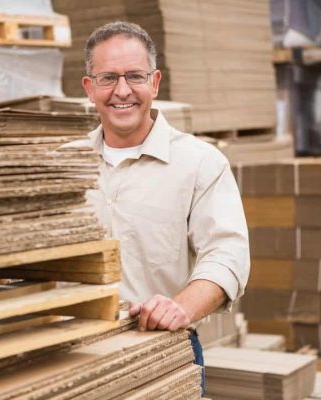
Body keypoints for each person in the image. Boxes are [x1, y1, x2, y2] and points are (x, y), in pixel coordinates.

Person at [69, 21, 250, 395]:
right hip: (70, 357)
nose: (122, 91)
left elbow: (227, 256)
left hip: (160, 353)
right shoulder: (64, 165)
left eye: (134, 76)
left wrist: (179, 307)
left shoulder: (200, 163)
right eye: (107, 78)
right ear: (89, 88)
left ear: (154, 82)